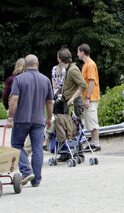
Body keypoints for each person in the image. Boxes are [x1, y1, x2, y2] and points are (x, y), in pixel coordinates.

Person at [5, 55, 54, 188]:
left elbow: (14, 99)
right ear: (37, 64)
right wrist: (49, 118)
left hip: (21, 119)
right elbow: (49, 101)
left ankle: (27, 171)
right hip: (39, 119)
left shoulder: (19, 79)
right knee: (38, 148)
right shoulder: (45, 80)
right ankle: (36, 180)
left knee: (16, 145)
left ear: (25, 65)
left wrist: (10, 118)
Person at [77, 44, 101, 150]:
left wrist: (87, 97)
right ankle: (93, 142)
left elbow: (91, 82)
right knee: (89, 121)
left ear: (82, 52)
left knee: (92, 120)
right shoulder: (86, 64)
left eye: (78, 52)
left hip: (91, 98)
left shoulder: (90, 64)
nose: (77, 54)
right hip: (88, 97)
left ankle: (96, 143)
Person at [59, 49, 87, 116]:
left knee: (74, 125)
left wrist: (72, 98)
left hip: (74, 104)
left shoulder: (72, 69)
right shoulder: (68, 69)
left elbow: (83, 84)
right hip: (69, 103)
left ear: (60, 60)